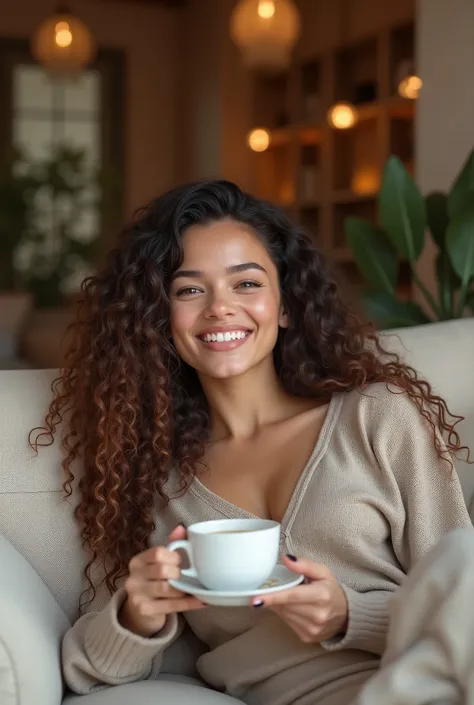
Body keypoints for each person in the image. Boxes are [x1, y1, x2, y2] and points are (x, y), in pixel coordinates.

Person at [32, 180, 473, 705]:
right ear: (158, 319)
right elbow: (85, 671)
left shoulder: (377, 417)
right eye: (189, 289)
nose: (220, 308)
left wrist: (351, 615)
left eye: (246, 284)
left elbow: (460, 592)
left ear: (285, 305)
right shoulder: (153, 478)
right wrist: (136, 614)